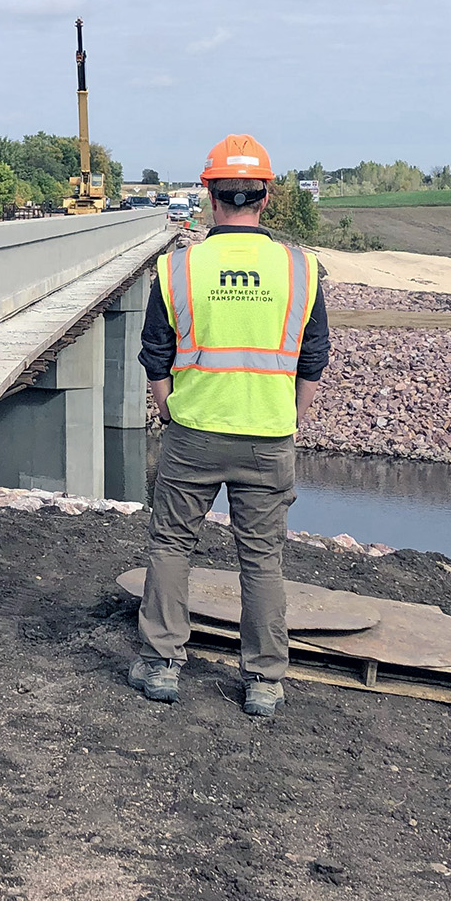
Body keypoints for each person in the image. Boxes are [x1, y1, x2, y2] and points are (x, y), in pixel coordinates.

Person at [130, 134, 330, 717]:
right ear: (264, 196)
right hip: (268, 437)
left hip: (193, 434)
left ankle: (162, 663)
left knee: (171, 545)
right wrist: (289, 417)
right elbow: (311, 360)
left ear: (209, 194)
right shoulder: (302, 268)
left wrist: (170, 411)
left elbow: (155, 357)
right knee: (263, 558)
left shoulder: (178, 269)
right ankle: (264, 680)